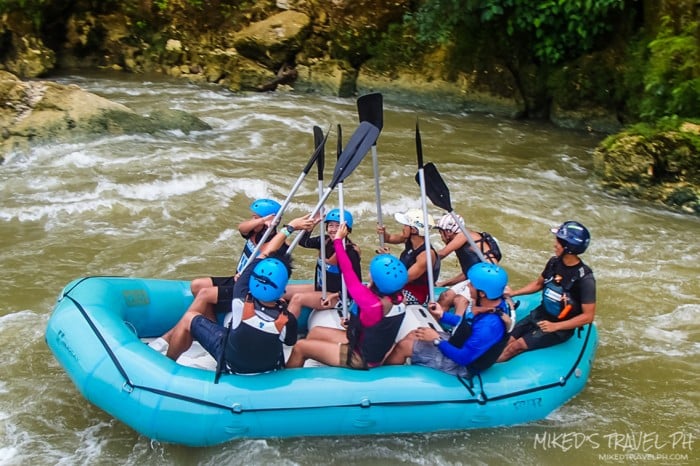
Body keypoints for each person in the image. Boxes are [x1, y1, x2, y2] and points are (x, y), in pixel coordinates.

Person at [163, 214, 317, 374]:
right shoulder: (287, 319)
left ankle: (167, 365)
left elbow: (265, 253)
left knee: (189, 318)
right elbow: (289, 340)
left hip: (232, 364)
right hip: (269, 367)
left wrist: (289, 228)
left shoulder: (240, 296)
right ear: (282, 289)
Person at [286, 222, 408, 369]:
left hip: (360, 357)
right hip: (366, 343)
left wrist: (338, 241)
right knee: (315, 332)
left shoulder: (370, 303)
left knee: (301, 346)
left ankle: (286, 378)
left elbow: (347, 270)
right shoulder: (400, 298)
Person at [386, 262, 510, 376]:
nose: (468, 285)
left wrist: (436, 339)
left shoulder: (489, 325)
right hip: (461, 343)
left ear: (482, 293)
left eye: (472, 285)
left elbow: (463, 358)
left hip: (462, 366)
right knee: (414, 334)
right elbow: (467, 325)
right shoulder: (493, 304)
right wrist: (442, 314)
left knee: (404, 346)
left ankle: (384, 378)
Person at [497, 221, 596, 362]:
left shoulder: (585, 279)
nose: (554, 244)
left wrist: (555, 326)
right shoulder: (554, 262)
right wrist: (514, 293)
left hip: (560, 326)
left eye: (558, 242)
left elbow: (588, 317)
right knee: (506, 340)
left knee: (516, 346)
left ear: (568, 248)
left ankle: (484, 374)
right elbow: (539, 284)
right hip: (541, 314)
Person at [189, 198, 281, 297]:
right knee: (196, 285)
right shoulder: (254, 231)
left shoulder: (276, 243)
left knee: (204, 294)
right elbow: (241, 227)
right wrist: (261, 220)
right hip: (237, 279)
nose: (252, 221)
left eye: (255, 218)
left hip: (247, 287)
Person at [284, 209, 362, 317]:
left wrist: (337, 295)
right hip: (321, 288)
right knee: (282, 291)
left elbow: (356, 283)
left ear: (347, 230)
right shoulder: (324, 241)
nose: (333, 230)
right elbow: (304, 242)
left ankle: (286, 332)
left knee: (298, 298)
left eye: (338, 226)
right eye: (331, 225)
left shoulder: (350, 252)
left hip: (338, 297)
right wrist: (311, 226)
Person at [434, 213, 502, 316]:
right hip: (476, 277)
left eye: (441, 232)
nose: (441, 236)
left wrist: (422, 258)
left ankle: (457, 329)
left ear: (449, 231)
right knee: (445, 297)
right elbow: (468, 273)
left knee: (459, 300)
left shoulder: (464, 235)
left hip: (486, 279)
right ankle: (436, 323)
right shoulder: (463, 241)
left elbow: (442, 254)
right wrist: (444, 283)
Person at [377, 208, 439, 306]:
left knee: (381, 301)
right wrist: (383, 233)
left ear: (414, 230)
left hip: (417, 294)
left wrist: (389, 259)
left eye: (406, 225)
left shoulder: (425, 255)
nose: (403, 227)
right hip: (402, 287)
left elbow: (404, 278)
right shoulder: (410, 239)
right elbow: (388, 238)